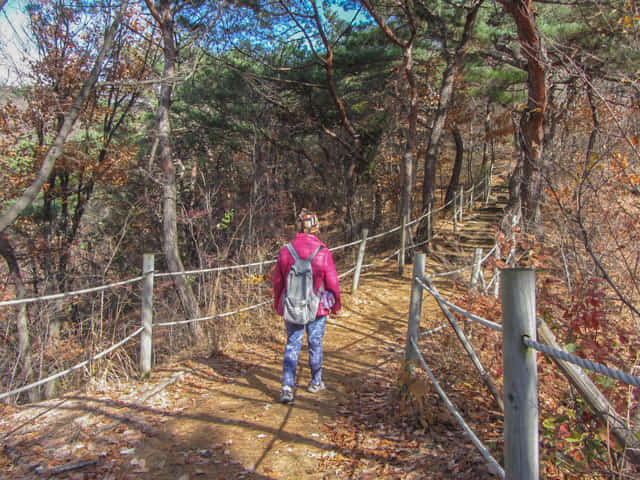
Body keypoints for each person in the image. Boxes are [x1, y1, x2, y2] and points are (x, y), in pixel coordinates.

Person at [272, 209, 341, 403]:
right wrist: (336, 305)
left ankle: (287, 387)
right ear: (316, 228)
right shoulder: (323, 251)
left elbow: (278, 282)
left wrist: (277, 303)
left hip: (293, 305)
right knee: (315, 343)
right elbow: (332, 282)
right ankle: (316, 382)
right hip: (317, 307)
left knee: (292, 344)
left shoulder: (286, 251)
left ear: (297, 228)